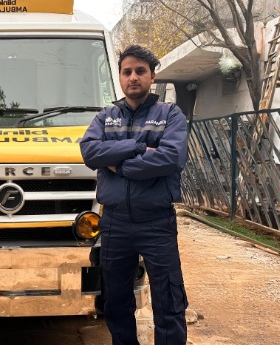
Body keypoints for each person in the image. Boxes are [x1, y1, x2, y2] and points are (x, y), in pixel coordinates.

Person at [80, 44, 189, 345]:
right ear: (120, 77)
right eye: (127, 72)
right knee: (115, 301)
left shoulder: (170, 115)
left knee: (169, 299)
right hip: (115, 223)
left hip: (157, 222)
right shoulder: (106, 117)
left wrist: (118, 165)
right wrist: (138, 148)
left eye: (140, 71)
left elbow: (171, 158)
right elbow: (89, 151)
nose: (133, 77)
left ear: (152, 76)